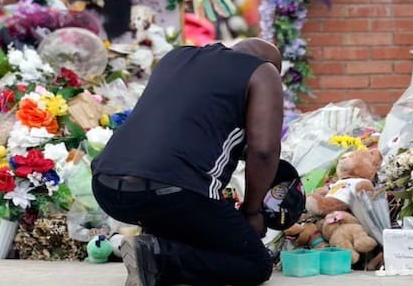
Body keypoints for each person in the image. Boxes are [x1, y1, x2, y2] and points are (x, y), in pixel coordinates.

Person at [91, 38, 284, 286]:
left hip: (107, 185)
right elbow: (265, 151)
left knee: (187, 220)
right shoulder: (263, 71)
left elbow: (181, 127)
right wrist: (252, 212)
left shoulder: (176, 57)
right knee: (254, 263)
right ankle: (157, 258)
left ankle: (153, 248)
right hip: (172, 191)